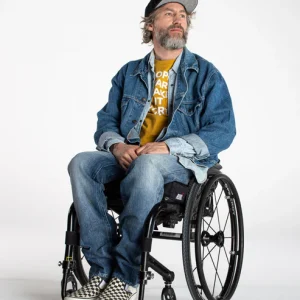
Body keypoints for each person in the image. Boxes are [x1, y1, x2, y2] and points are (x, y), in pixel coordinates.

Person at [66, 0, 236, 299]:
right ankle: (101, 271)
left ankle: (125, 276)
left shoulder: (207, 74)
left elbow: (222, 131)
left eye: (183, 15)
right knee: (81, 163)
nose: (178, 20)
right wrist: (117, 145)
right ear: (150, 24)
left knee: (147, 166)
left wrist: (168, 146)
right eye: (169, 13)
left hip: (179, 162)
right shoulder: (129, 73)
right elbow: (106, 121)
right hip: (130, 157)